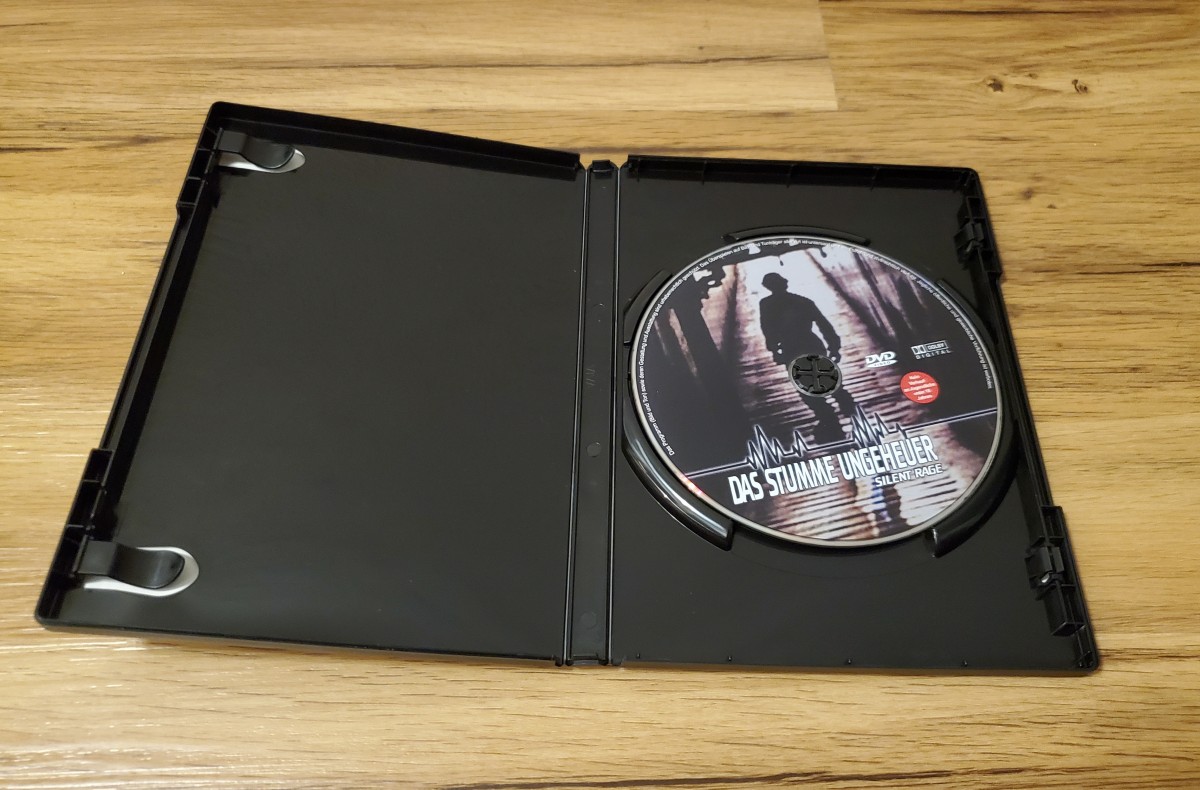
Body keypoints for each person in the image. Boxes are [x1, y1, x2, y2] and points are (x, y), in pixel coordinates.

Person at [759, 272, 855, 441]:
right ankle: (847, 405)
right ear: (785, 283)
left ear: (767, 287)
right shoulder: (802, 301)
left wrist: (774, 350)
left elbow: (767, 329)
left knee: (804, 385)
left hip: (791, 348)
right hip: (812, 344)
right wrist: (834, 346)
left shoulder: (766, 304)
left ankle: (826, 414)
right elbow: (823, 324)